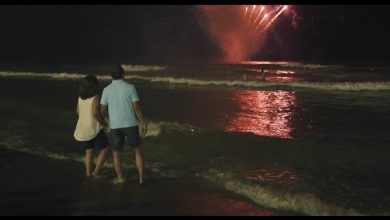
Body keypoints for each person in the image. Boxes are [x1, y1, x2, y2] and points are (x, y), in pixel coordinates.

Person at [100, 66, 147, 185]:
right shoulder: (130, 87)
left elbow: (102, 110)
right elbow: (136, 107)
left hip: (115, 126)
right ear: (123, 74)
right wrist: (142, 122)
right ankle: (141, 178)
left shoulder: (106, 89)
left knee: (116, 153)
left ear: (111, 76)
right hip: (131, 124)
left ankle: (120, 177)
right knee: (137, 150)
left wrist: (103, 123)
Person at [74, 75, 110, 178]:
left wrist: (84, 117)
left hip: (82, 127)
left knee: (88, 152)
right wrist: (104, 123)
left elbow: (77, 111)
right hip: (92, 128)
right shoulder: (96, 97)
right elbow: (95, 113)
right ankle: (96, 172)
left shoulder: (80, 97)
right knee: (105, 148)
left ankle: (88, 173)